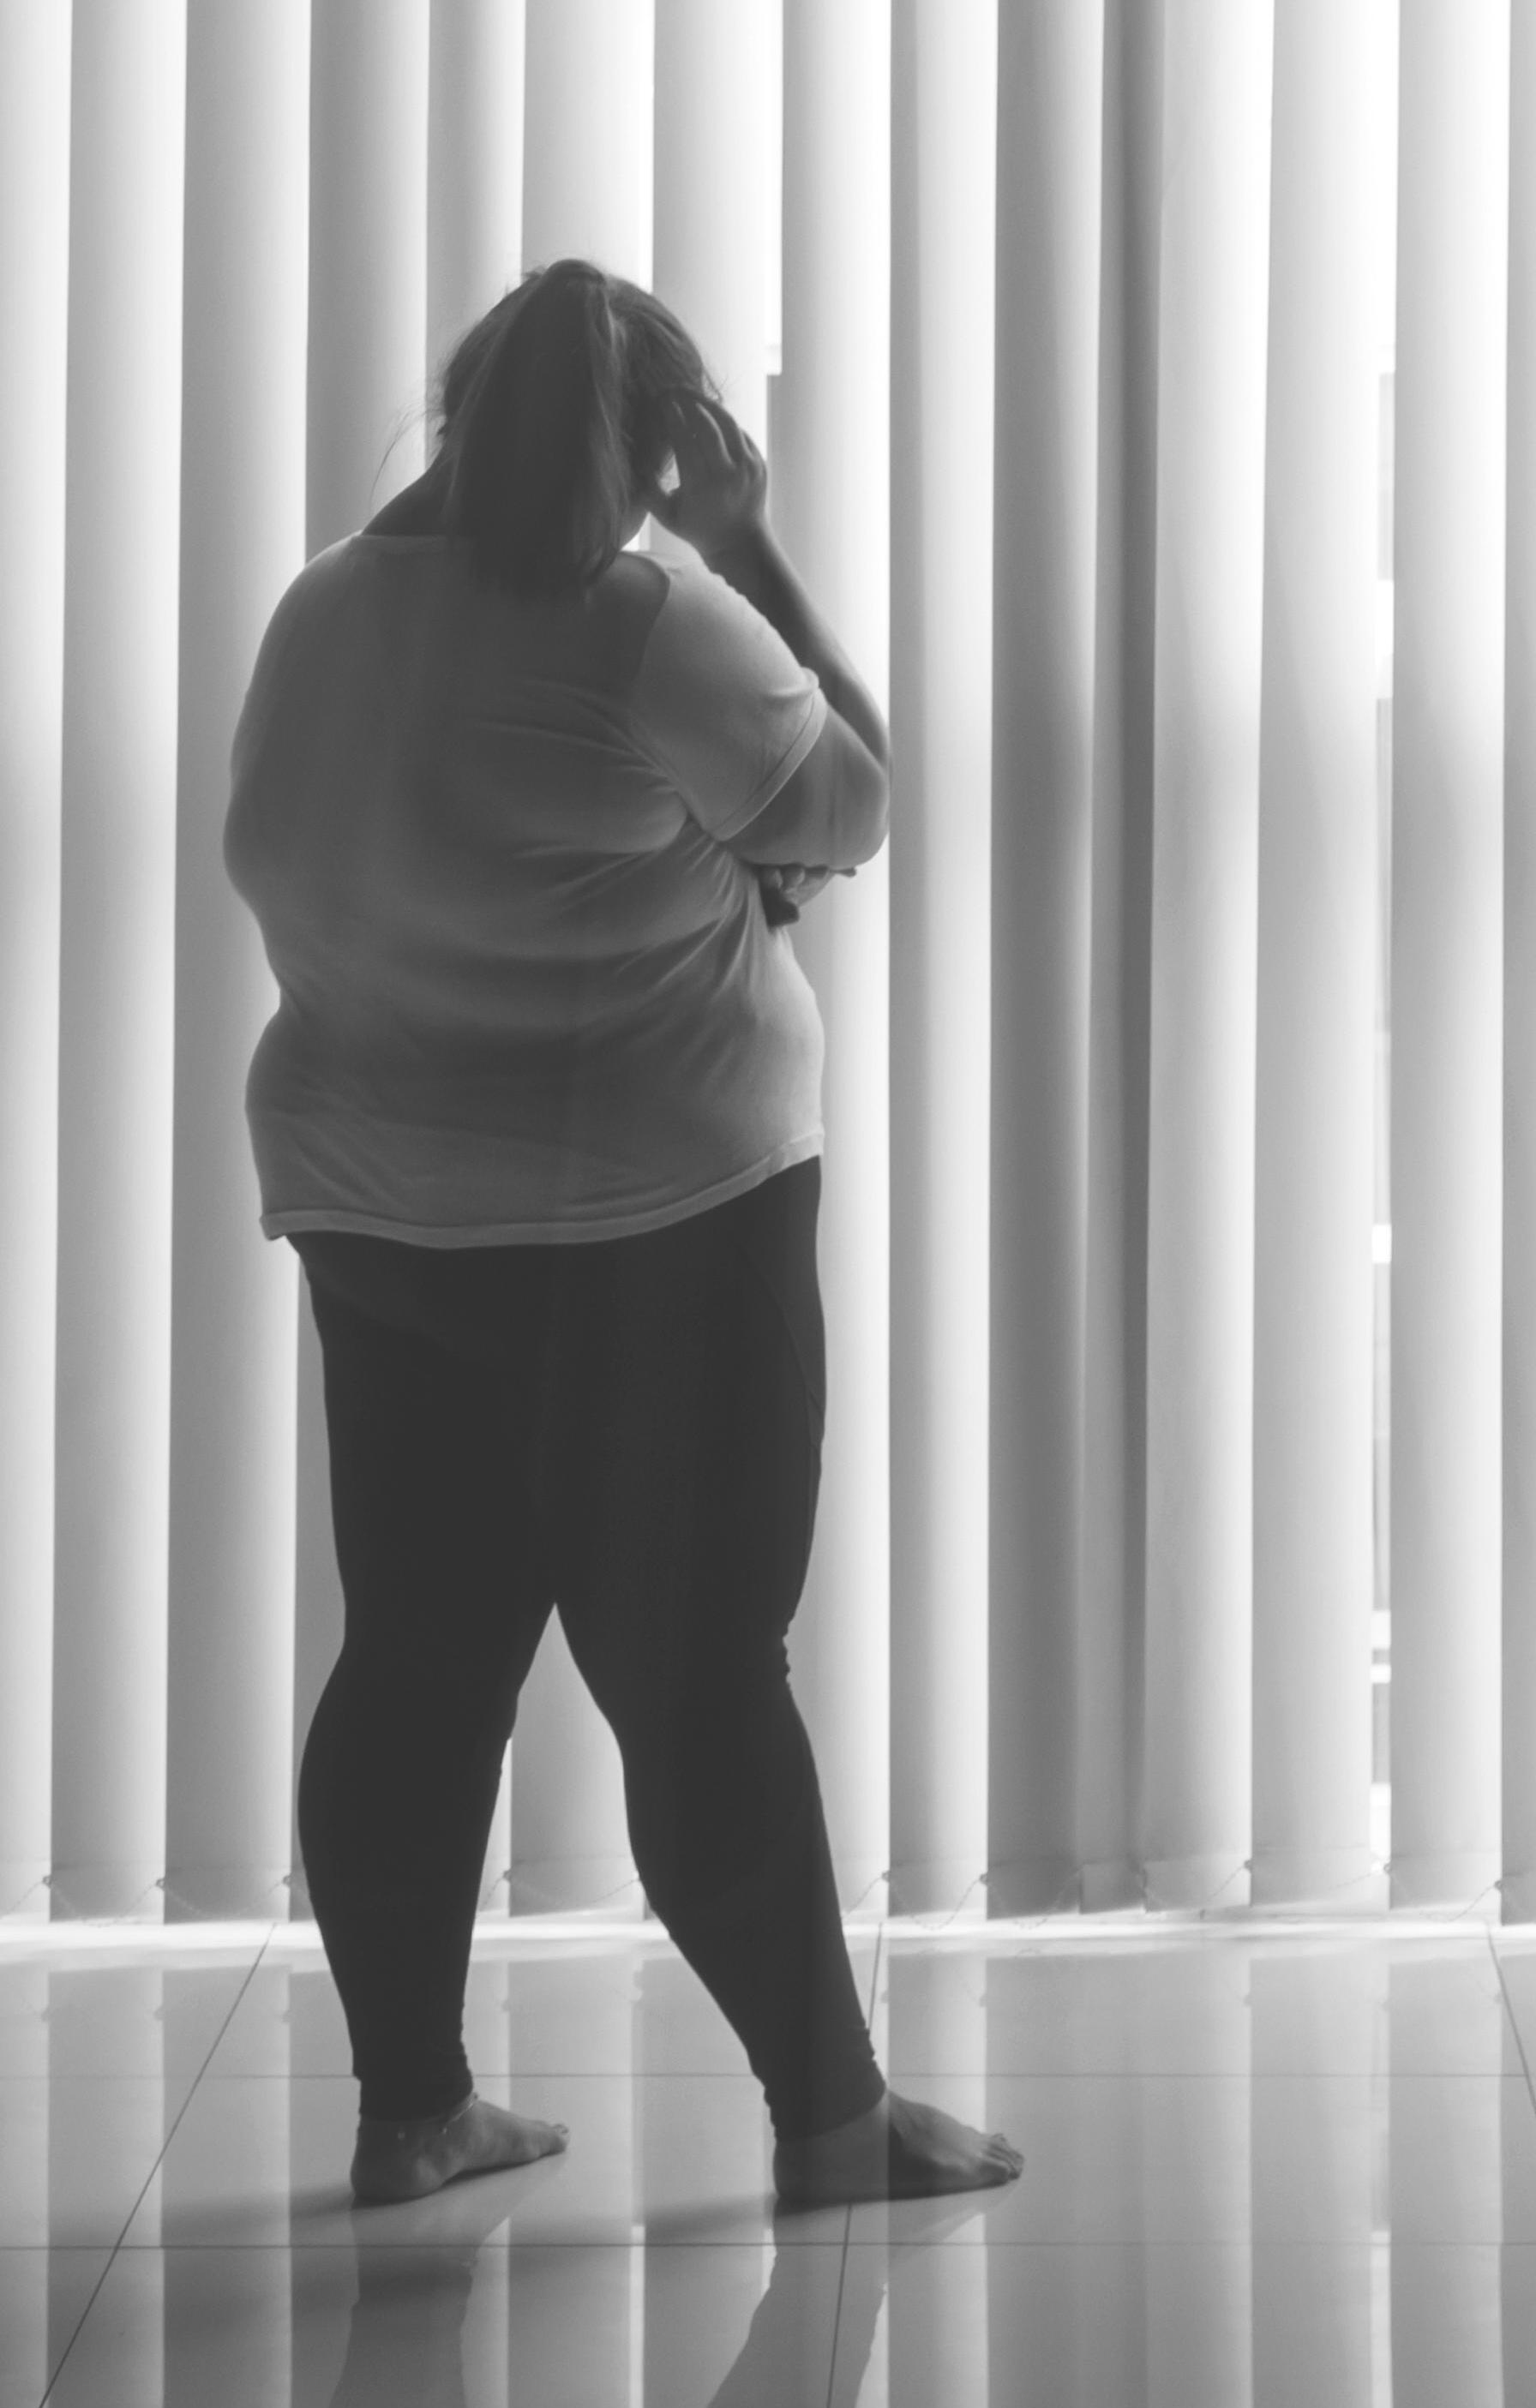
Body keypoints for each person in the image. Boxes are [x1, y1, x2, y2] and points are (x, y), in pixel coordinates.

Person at [223, 256, 1020, 2211]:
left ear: (456, 411)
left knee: (415, 1660)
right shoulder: (653, 618)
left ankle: (413, 2109)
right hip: (662, 1231)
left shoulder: (320, 610)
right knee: (700, 1676)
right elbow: (850, 801)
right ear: (666, 446)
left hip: (386, 1219)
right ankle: (829, 2122)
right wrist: (746, 538)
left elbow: (343, 854)